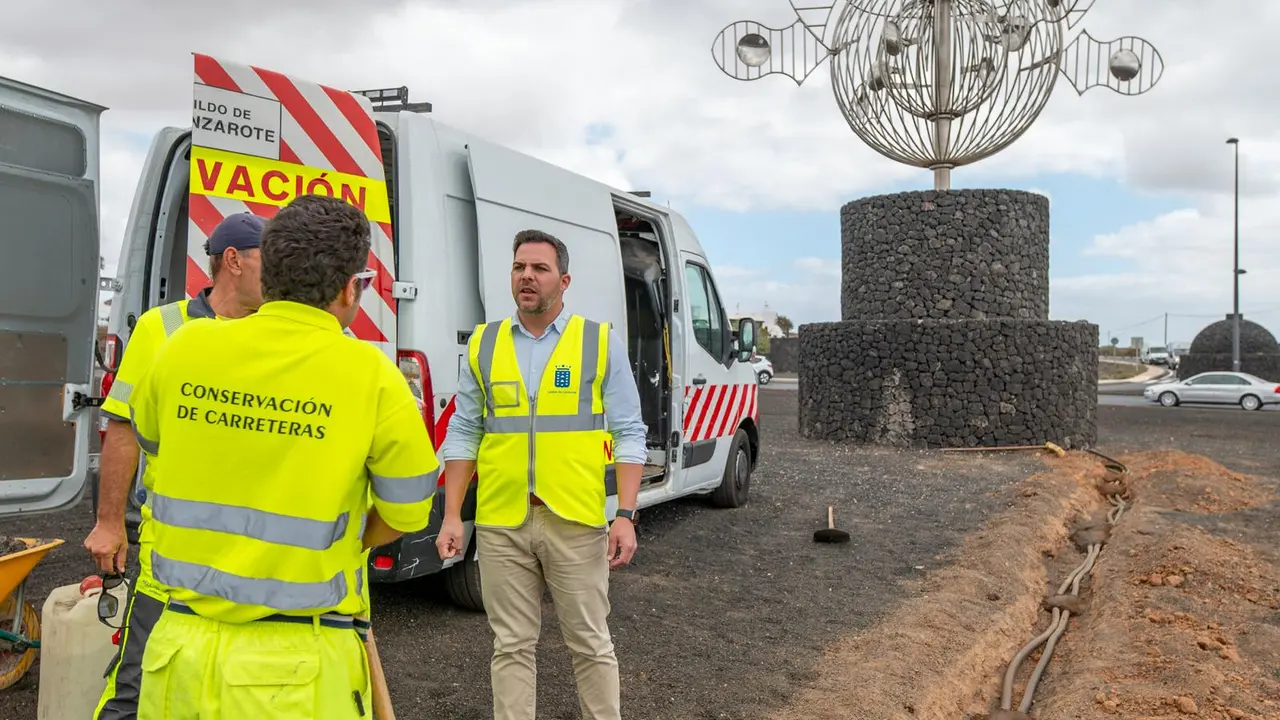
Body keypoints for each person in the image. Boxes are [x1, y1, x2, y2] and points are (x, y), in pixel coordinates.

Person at [122, 193, 438, 718]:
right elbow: (407, 508)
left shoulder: (182, 348)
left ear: (269, 276)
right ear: (347, 288)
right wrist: (341, 541)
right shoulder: (371, 374)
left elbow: (153, 446)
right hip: (296, 671)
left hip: (177, 654)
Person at [436, 229, 648, 720]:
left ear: (564, 280)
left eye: (539, 268)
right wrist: (452, 516)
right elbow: (464, 431)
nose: (527, 276)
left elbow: (630, 431)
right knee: (510, 645)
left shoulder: (597, 341)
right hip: (502, 522)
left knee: (590, 643)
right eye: (519, 267)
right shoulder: (484, 344)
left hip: (573, 517)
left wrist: (626, 514)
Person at [87, 211, 266, 720]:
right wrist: (107, 523)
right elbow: (122, 426)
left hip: (249, 551)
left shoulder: (273, 332)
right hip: (172, 550)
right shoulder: (161, 327)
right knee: (139, 682)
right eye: (265, 259)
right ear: (232, 261)